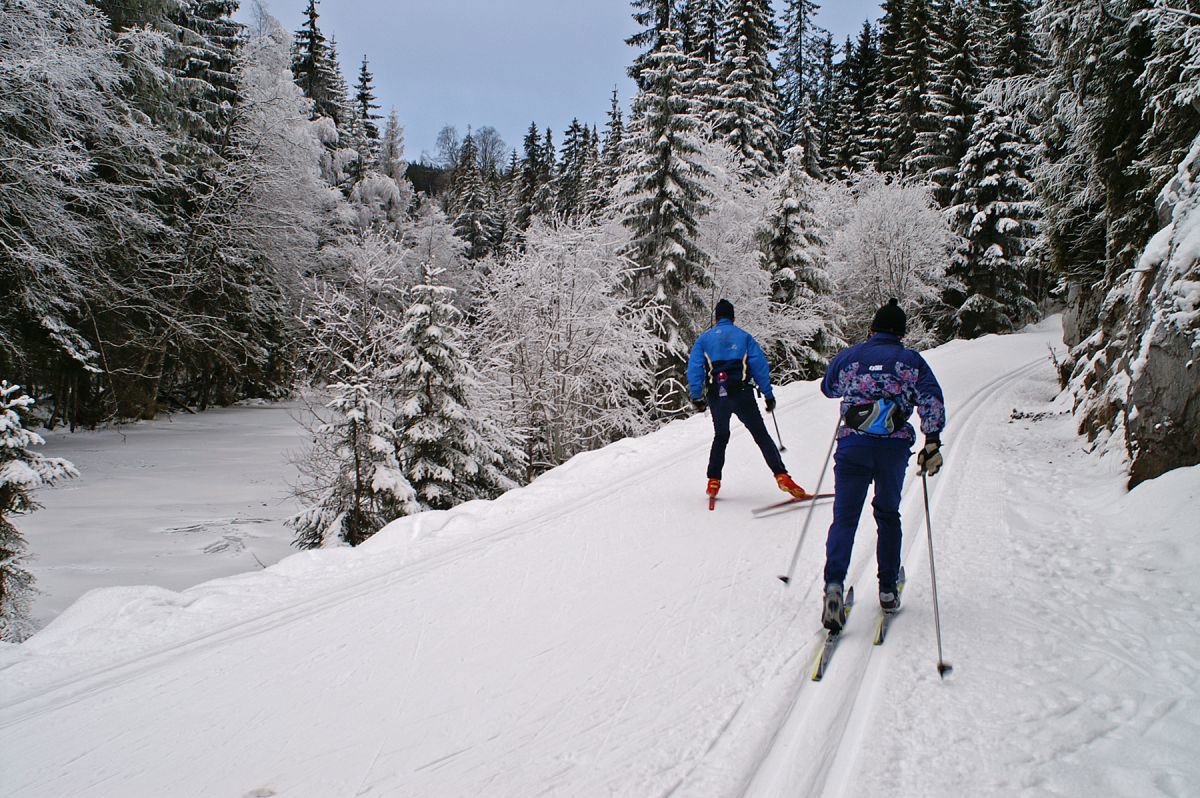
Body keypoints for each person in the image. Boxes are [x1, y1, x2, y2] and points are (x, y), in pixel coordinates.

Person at [818, 298, 946, 632]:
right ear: (901, 333)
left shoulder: (850, 357)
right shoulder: (910, 361)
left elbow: (828, 388)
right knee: (887, 514)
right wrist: (931, 440)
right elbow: (931, 398)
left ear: (872, 328)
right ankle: (888, 589)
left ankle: (833, 586)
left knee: (845, 518)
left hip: (852, 446)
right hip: (891, 450)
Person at [687, 299, 810, 501]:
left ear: (716, 318)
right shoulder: (744, 337)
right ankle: (781, 475)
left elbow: (695, 368)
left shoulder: (703, 340)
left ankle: (714, 480)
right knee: (761, 435)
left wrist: (696, 396)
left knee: (721, 436)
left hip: (717, 395)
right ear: (733, 318)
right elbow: (759, 366)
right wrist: (768, 394)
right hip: (742, 393)